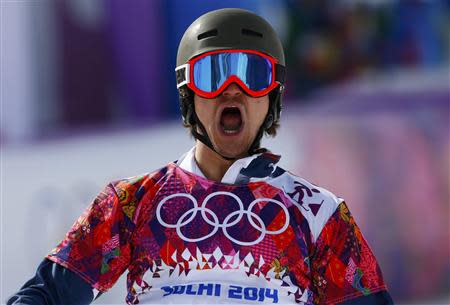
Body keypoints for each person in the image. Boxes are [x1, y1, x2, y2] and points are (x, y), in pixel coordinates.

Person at [7, 8, 394, 305]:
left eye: (251, 75)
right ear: (188, 95)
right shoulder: (132, 204)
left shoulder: (318, 215)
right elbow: (47, 295)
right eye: (212, 75)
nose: (232, 90)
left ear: (272, 96)